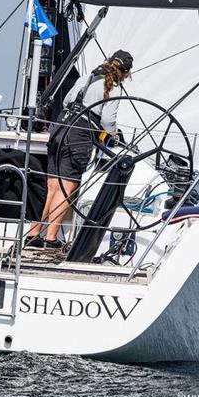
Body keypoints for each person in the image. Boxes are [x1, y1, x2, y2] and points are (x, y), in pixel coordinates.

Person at [26, 50, 134, 249]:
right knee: (66, 188)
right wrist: (114, 135)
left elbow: (67, 101)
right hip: (79, 136)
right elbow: (108, 121)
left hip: (59, 129)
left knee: (51, 188)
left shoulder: (86, 77)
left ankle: (33, 234)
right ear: (125, 73)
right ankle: (50, 238)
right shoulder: (114, 89)